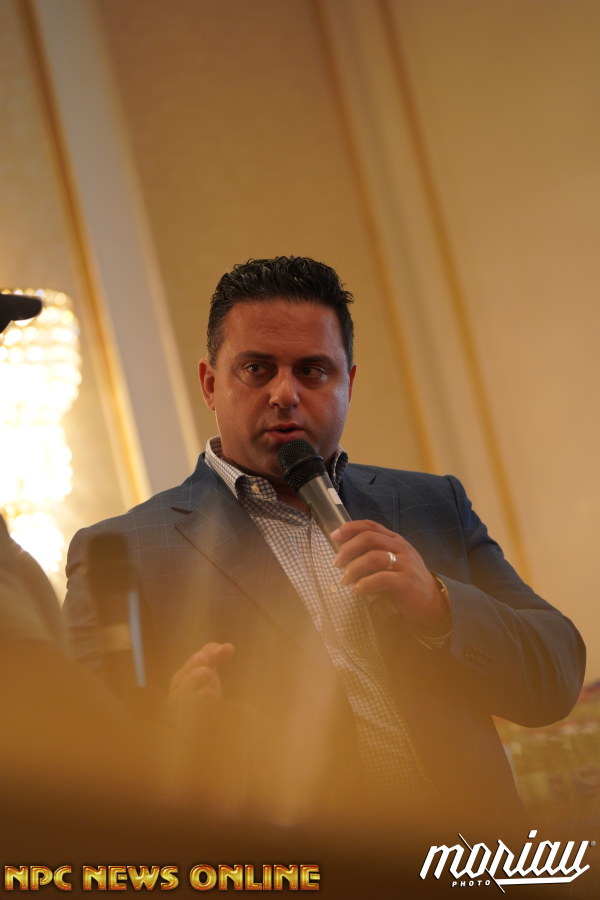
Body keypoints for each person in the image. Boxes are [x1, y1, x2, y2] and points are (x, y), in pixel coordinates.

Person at [63, 257, 585, 835]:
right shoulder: (123, 551)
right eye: (256, 369)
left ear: (348, 384)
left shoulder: (433, 504)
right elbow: (80, 771)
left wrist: (440, 606)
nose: (284, 394)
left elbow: (555, 678)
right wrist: (169, 737)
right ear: (211, 384)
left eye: (312, 371)